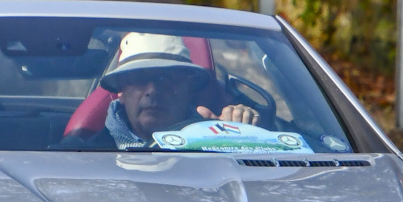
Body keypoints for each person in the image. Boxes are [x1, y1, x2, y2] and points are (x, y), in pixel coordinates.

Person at [57, 33, 258, 150]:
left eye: (167, 78)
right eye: (139, 78)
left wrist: (242, 134)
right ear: (121, 92)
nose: (152, 90)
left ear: (189, 89)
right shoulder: (82, 158)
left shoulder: (218, 143)